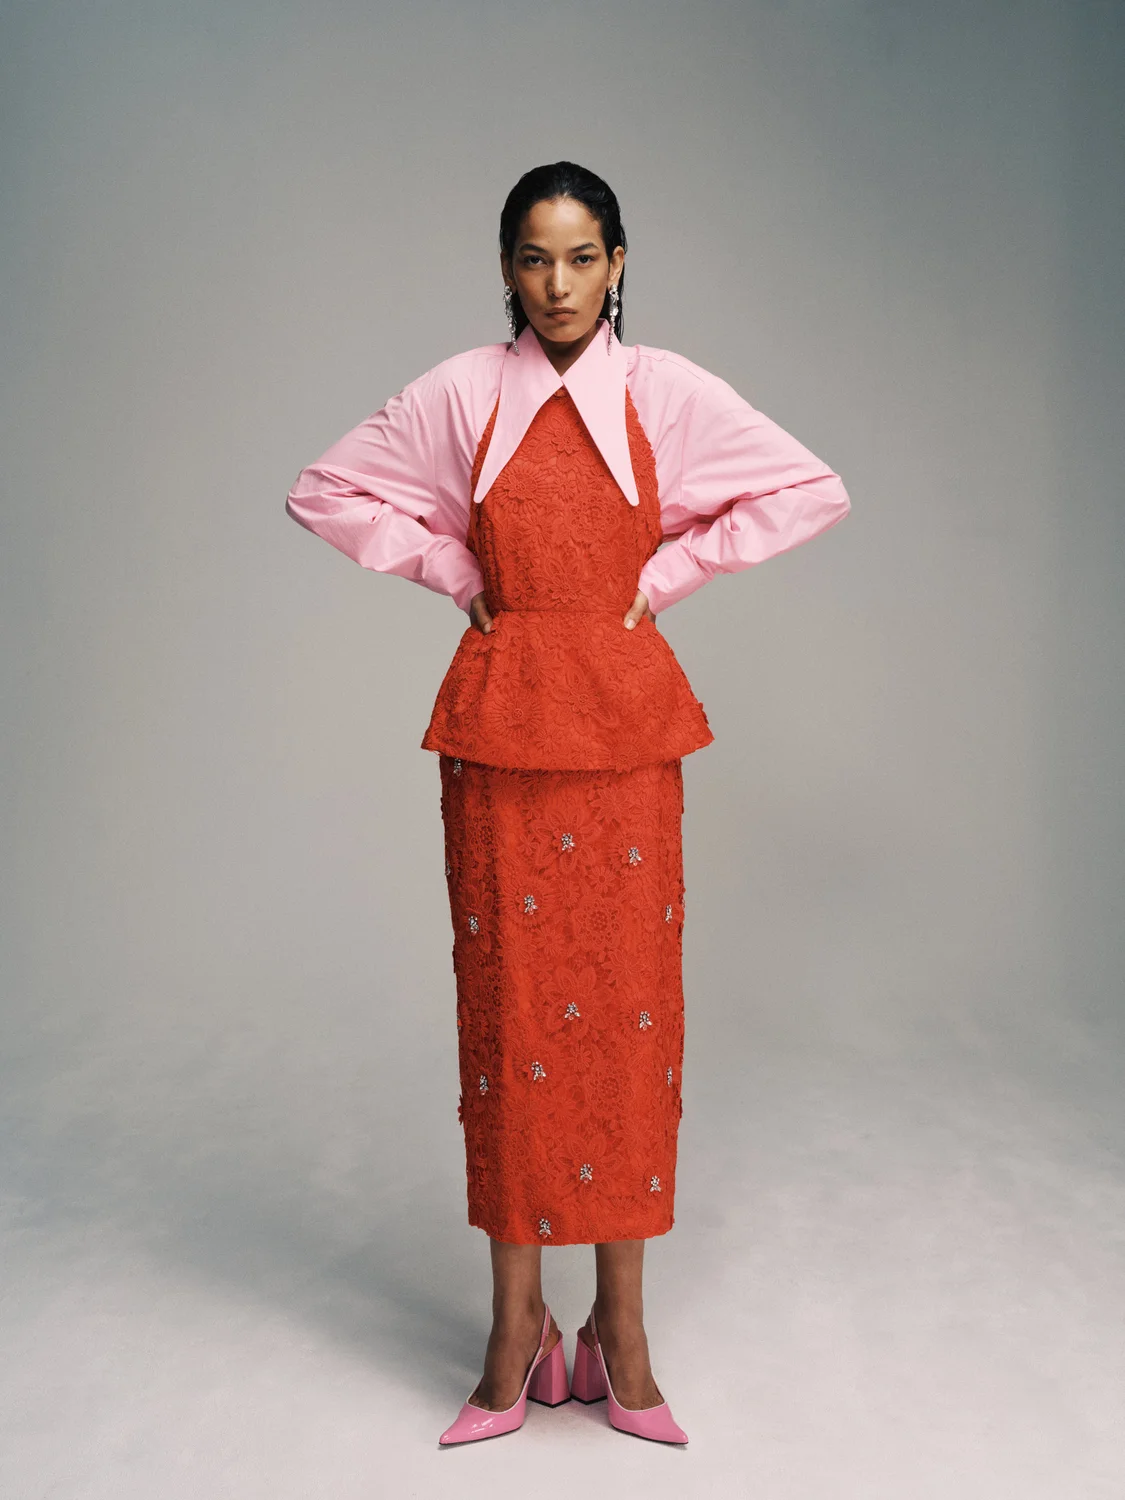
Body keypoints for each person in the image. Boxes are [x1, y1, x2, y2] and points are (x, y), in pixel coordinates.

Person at [285, 160, 851, 1447]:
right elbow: (324, 489)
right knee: (513, 1019)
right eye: (535, 259)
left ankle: (621, 1333)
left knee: (630, 1021)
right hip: (502, 721)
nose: (558, 284)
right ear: (506, 269)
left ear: (618, 264)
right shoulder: (463, 392)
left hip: (625, 723)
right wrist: (450, 566)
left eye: (583, 257)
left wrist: (672, 572)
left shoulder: (664, 391)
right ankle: (517, 1327)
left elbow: (810, 487)